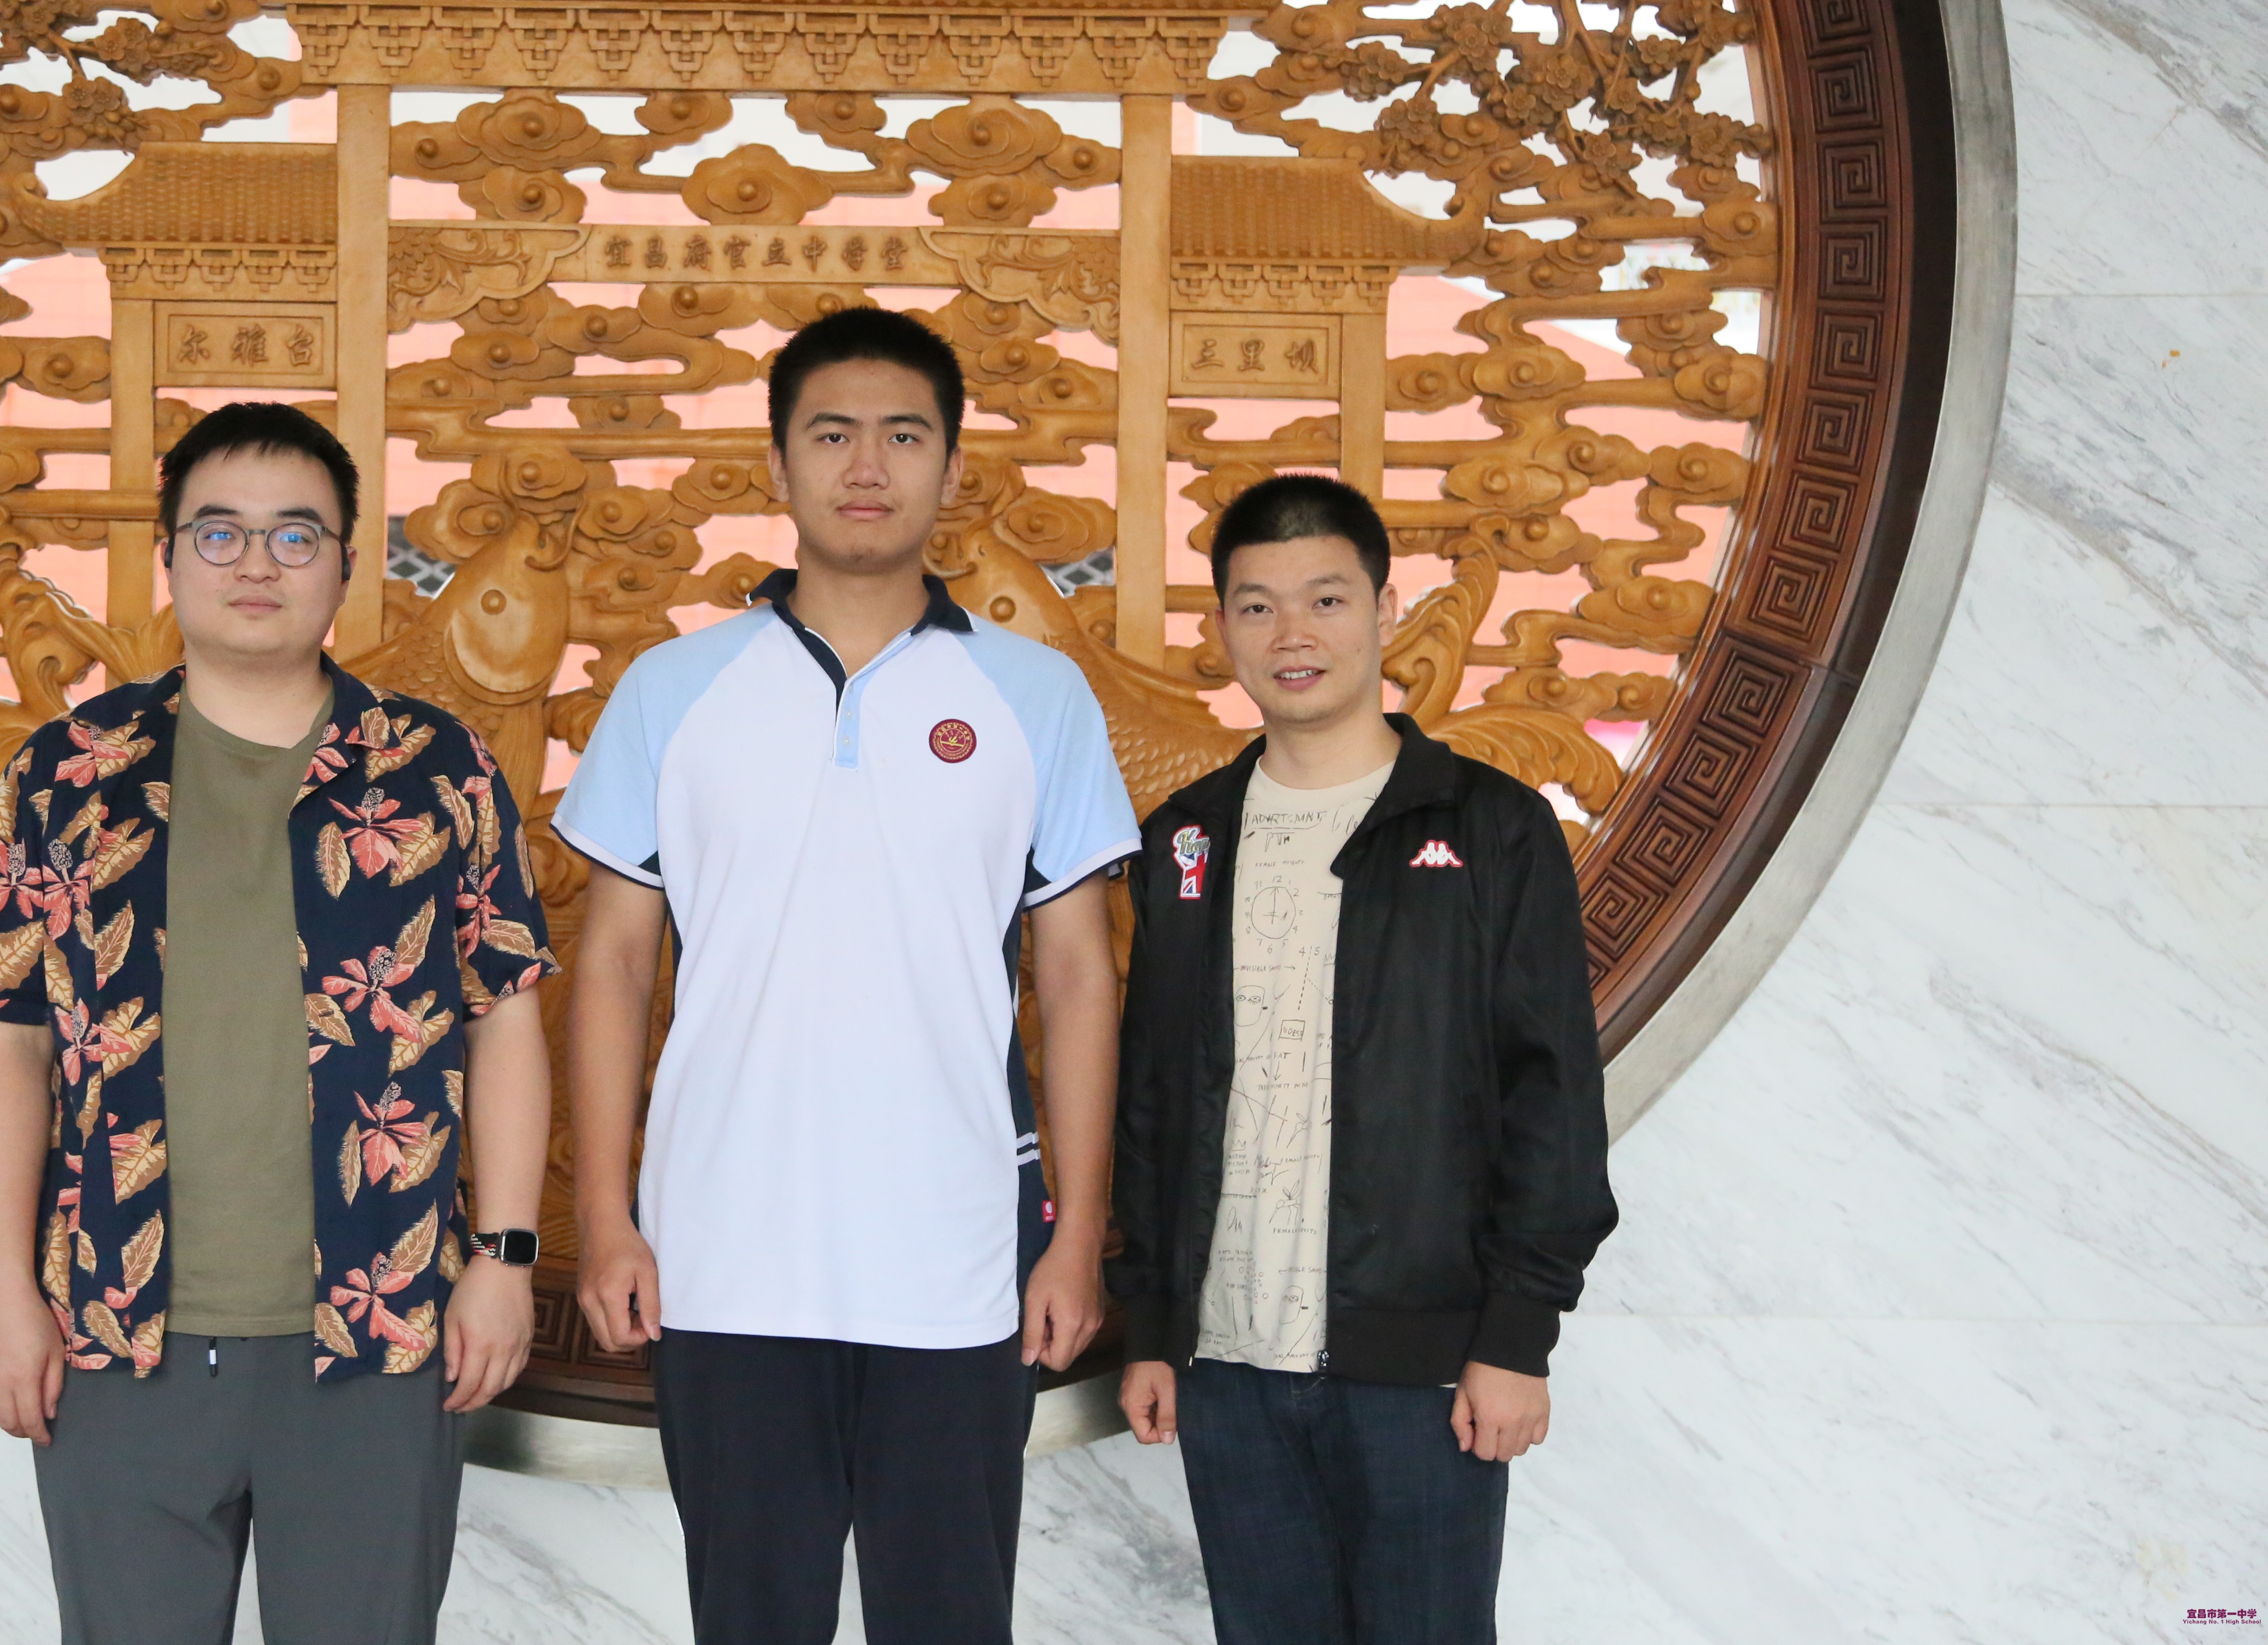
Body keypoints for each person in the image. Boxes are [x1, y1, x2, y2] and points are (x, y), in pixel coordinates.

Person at [0, 401, 557, 1645]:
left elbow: (506, 1022)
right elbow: (6, 1045)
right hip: (118, 1335)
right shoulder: (66, 773)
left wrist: (505, 1260)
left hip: (382, 1330)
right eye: (220, 534)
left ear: (347, 563)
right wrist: (2, 1293)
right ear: (169, 556)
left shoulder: (439, 770)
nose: (256, 564)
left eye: (294, 535)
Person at [554, 307, 1140, 1645]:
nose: (866, 466)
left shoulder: (1035, 696)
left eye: (902, 436)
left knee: (951, 1620)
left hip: (957, 1259)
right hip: (723, 1256)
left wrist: (1074, 1239)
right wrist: (606, 1217)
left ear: (952, 466)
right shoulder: (673, 690)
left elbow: (1078, 979)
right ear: (778, 464)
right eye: (831, 435)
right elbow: (615, 965)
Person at [1109, 473, 1618, 1645]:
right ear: (1222, 627)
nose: (1293, 635)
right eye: (1258, 606)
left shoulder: (1490, 825)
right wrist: (1153, 1326)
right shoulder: (1187, 835)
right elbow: (1155, 1098)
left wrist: (1515, 1337)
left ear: (1386, 609)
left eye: (1327, 600)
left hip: (1424, 1369)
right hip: (1228, 1367)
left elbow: (1552, 1095)